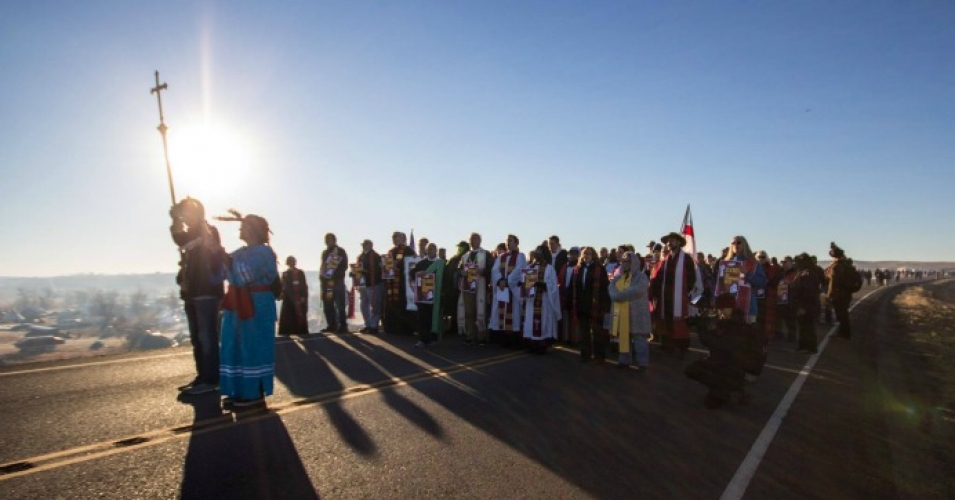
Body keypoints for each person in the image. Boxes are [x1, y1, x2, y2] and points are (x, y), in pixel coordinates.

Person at [218, 212, 279, 409]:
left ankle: (254, 393)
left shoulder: (264, 252)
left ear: (253, 230)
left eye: (243, 226)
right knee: (235, 345)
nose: (240, 230)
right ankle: (239, 390)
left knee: (253, 346)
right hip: (238, 303)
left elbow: (243, 274)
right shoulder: (241, 252)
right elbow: (224, 270)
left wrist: (221, 255)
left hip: (256, 305)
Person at [169, 197, 225, 396]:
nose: (184, 217)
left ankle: (212, 378)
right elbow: (180, 239)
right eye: (183, 213)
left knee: (207, 337)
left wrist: (176, 220)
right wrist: (175, 220)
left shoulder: (207, 231)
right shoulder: (191, 233)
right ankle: (202, 375)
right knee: (197, 338)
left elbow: (183, 239)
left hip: (207, 292)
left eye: (187, 212)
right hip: (191, 292)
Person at [649, 232, 698, 358]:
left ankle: (682, 348)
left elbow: (692, 278)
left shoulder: (686, 258)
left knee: (680, 321)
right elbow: (658, 277)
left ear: (679, 243)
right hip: (666, 296)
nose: (670, 243)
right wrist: (654, 291)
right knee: (666, 321)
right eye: (668, 241)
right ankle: (667, 346)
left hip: (679, 296)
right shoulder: (665, 259)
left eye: (673, 241)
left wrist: (686, 292)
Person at [608, 251, 651, 372]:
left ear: (635, 262)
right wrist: (615, 295)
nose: (625, 264)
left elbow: (636, 291)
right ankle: (624, 361)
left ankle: (642, 363)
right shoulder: (618, 277)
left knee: (639, 338)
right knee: (623, 337)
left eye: (628, 261)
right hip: (622, 313)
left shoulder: (641, 277)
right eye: (624, 261)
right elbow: (611, 288)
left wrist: (619, 295)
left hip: (637, 313)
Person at [574, 246, 611, 363]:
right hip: (582, 304)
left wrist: (604, 305)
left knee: (597, 332)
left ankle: (599, 356)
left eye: (589, 254)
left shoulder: (599, 269)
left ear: (593, 255)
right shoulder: (578, 269)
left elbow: (605, 288)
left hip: (596, 304)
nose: (586, 256)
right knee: (583, 332)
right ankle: (585, 355)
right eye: (584, 254)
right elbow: (575, 287)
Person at [489, 234, 527, 348]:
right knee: (500, 314)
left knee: (513, 314)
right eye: (507, 241)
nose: (508, 243)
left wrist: (507, 281)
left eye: (510, 241)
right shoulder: (501, 256)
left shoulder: (520, 256)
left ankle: (513, 341)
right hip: (502, 290)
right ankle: (502, 340)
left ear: (516, 243)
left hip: (513, 290)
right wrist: (500, 280)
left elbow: (519, 270)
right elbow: (494, 270)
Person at [522, 245, 561, 354]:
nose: (536, 254)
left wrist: (543, 285)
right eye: (536, 252)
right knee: (531, 321)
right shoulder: (530, 267)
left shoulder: (549, 268)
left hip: (544, 300)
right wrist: (525, 284)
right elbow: (525, 283)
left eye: (539, 252)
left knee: (542, 323)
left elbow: (553, 285)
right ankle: (532, 344)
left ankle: (541, 345)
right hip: (532, 300)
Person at [457, 232, 492, 345]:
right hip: (468, 286)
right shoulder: (465, 255)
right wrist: (461, 272)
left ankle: (481, 336)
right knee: (469, 311)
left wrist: (483, 271)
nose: (473, 241)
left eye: (475, 239)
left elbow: (491, 268)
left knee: (481, 310)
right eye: (471, 239)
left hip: (481, 284)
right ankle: (470, 334)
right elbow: (459, 269)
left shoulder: (485, 254)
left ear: (480, 241)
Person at [412, 243, 445, 348]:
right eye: (428, 249)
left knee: (433, 317)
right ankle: (422, 339)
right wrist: (419, 273)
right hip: (423, 295)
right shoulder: (421, 263)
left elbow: (446, 278)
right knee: (422, 317)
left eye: (432, 249)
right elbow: (412, 273)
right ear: (426, 251)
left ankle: (432, 338)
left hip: (436, 295)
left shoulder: (441, 263)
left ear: (436, 250)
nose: (430, 251)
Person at [384, 231, 417, 335]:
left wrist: (398, 265)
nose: (395, 239)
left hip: (403, 284)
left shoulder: (408, 250)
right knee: (392, 306)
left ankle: (406, 329)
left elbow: (412, 264)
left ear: (403, 239)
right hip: (391, 283)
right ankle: (393, 328)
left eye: (397, 237)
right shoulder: (390, 251)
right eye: (393, 237)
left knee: (403, 306)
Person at [790, 253, 822, 353]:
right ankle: (803, 346)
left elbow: (808, 292)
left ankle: (811, 348)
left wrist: (803, 307)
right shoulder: (802, 272)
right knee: (803, 326)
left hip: (807, 305)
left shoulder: (808, 274)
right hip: (802, 304)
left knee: (808, 327)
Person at [319, 233, 348, 334]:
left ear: (334, 240)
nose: (328, 241)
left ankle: (343, 325)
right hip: (328, 283)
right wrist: (322, 278)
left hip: (337, 281)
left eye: (330, 239)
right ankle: (332, 325)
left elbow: (344, 266)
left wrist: (334, 274)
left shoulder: (340, 251)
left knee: (340, 304)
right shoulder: (325, 252)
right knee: (328, 304)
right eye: (326, 239)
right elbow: (323, 266)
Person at [826, 242, 855, 339]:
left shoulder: (837, 267)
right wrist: (835, 248)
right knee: (843, 314)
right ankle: (844, 334)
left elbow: (834, 282)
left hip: (839, 294)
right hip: (845, 294)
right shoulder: (845, 264)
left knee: (841, 315)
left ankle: (844, 334)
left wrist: (830, 296)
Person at [354, 239, 383, 334]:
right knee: (363, 305)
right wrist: (354, 273)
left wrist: (365, 271)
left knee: (374, 305)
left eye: (366, 244)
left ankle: (374, 326)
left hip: (373, 283)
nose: (364, 246)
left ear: (371, 245)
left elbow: (378, 270)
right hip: (362, 284)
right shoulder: (360, 256)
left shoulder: (375, 256)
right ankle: (367, 324)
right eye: (363, 244)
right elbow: (358, 268)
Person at [278, 256, 309, 336]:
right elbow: (282, 285)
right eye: (290, 261)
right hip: (288, 298)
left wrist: (303, 296)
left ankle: (301, 331)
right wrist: (280, 294)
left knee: (299, 314)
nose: (291, 263)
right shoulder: (285, 273)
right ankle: (287, 331)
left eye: (292, 261)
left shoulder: (300, 272)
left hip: (297, 296)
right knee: (288, 315)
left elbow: (303, 285)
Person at [557, 246, 580, 344]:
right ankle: (566, 338)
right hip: (564, 294)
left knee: (574, 318)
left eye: (574, 254)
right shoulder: (564, 266)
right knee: (565, 317)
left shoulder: (579, 267)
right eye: (571, 254)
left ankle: (575, 339)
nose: (572, 256)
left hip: (575, 294)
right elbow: (560, 280)